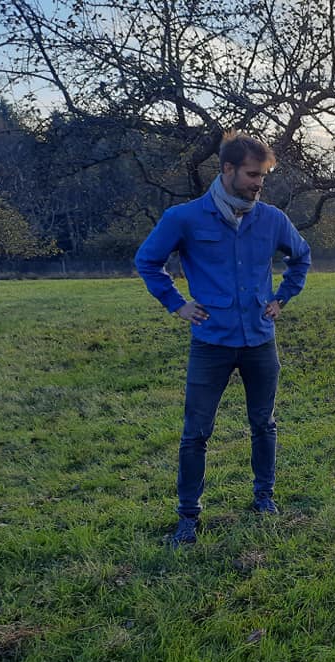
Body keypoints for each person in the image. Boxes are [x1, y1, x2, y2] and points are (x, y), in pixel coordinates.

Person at [135, 131, 312, 548]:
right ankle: (188, 516)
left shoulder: (272, 219)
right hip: (211, 342)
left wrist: (282, 297)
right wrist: (177, 304)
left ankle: (264, 498)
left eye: (263, 177)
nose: (258, 184)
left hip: (260, 341)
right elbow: (148, 261)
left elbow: (301, 257)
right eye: (252, 175)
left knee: (264, 424)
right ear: (228, 169)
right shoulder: (184, 218)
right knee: (196, 433)